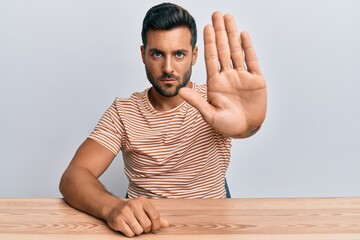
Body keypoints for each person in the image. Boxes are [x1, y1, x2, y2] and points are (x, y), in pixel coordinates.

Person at [59, 2, 267, 238]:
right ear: (143, 55)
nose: (168, 68)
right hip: (147, 230)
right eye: (157, 53)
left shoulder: (217, 102)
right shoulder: (123, 112)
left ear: (194, 55)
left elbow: (241, 128)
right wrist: (112, 207)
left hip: (214, 228)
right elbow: (73, 177)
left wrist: (250, 126)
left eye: (179, 54)